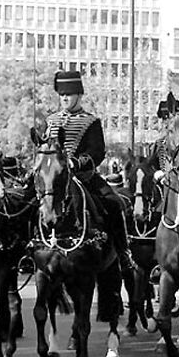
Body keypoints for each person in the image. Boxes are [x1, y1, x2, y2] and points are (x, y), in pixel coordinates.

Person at [44, 71, 136, 319]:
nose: (64, 98)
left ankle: (123, 252)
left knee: (113, 203)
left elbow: (98, 152)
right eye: (61, 94)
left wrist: (77, 162)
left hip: (84, 176)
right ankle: (28, 252)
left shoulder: (90, 121)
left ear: (78, 95)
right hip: (55, 177)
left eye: (69, 94)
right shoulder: (50, 121)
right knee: (34, 201)